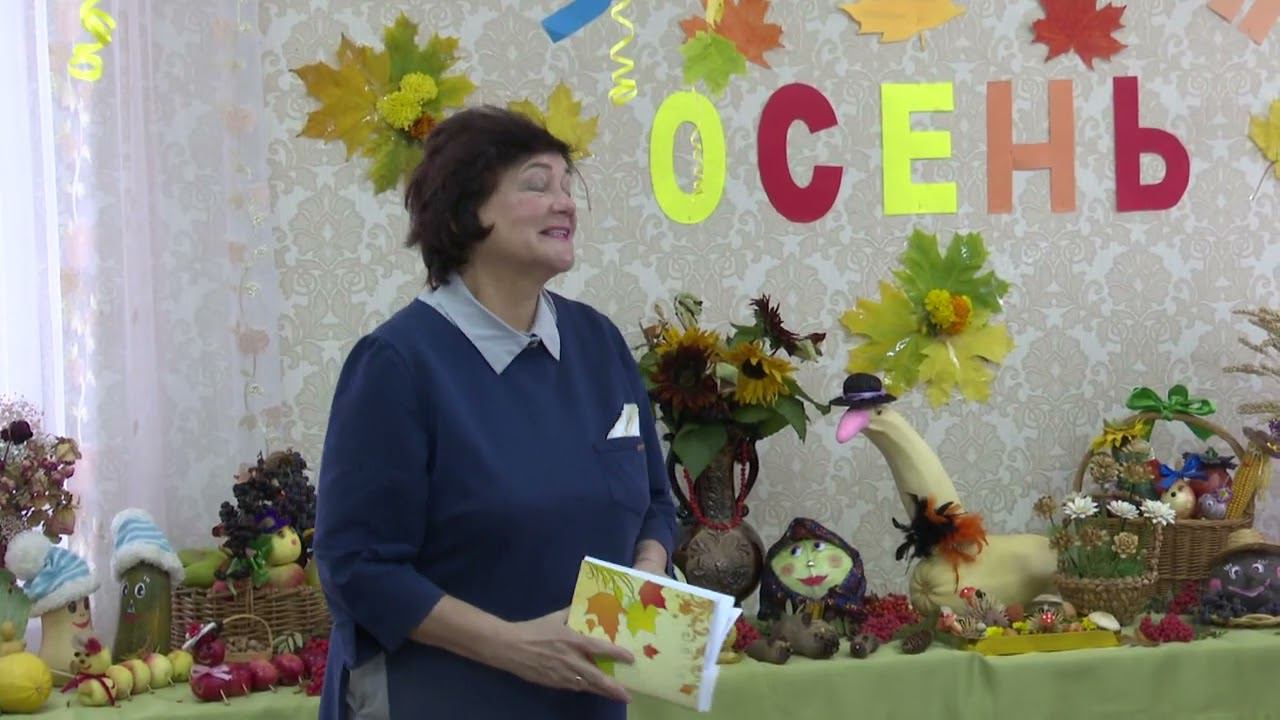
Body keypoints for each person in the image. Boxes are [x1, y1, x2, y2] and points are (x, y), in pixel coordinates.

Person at [312, 106, 678, 720]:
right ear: (467, 211)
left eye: (567, 185)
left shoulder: (599, 342)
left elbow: (655, 505)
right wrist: (514, 647)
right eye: (537, 184)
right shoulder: (397, 364)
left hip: (585, 701)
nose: (565, 203)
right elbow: (356, 566)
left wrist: (643, 577)